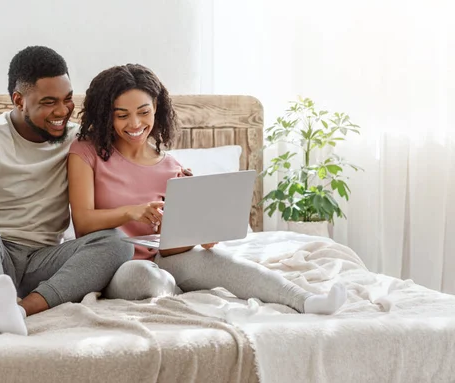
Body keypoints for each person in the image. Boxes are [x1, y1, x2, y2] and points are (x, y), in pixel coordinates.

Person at [67, 63, 347, 314]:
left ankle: (306, 300)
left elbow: (174, 247)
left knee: (219, 260)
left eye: (144, 112)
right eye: (122, 115)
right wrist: (132, 213)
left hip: (165, 261)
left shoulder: (172, 167)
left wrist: (199, 234)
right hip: (115, 267)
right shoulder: (87, 152)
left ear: (157, 109)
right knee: (147, 277)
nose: (135, 124)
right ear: (107, 116)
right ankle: (176, 290)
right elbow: (82, 223)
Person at [0, 46, 134, 336]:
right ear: (19, 100)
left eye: (67, 99)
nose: (62, 111)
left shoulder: (78, 139)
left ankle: (21, 308)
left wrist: (172, 175)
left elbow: (134, 165)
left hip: (43, 260)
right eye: (49, 102)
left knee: (117, 241)